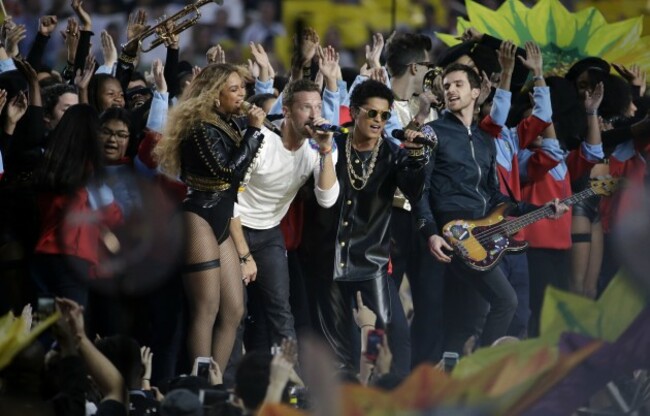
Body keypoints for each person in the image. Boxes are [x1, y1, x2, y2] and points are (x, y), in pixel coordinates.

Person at [414, 64, 569, 353]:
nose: (450, 90)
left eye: (458, 84)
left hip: (482, 236)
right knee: (501, 302)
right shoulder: (432, 132)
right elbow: (419, 189)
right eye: (446, 86)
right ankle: (476, 369)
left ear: (476, 92)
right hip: (450, 236)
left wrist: (538, 208)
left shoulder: (486, 140)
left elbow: (494, 195)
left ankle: (467, 376)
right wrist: (430, 233)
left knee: (470, 315)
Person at [302, 79, 429, 377]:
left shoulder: (393, 153)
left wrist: (415, 156)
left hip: (371, 261)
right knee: (336, 348)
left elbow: (413, 189)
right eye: (372, 113)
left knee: (394, 336)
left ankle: (394, 397)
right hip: (327, 259)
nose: (378, 121)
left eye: (385, 116)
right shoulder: (334, 144)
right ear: (355, 112)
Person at [154, 63, 266, 372]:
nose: (242, 94)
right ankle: (199, 380)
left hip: (220, 220)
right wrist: (254, 132)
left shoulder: (225, 122)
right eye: (233, 89)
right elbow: (228, 172)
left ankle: (215, 379)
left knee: (234, 310)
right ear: (213, 95)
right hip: (199, 217)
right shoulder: (200, 126)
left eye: (242, 88)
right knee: (207, 308)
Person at [229, 78, 340, 353]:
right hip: (233, 230)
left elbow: (327, 198)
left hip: (269, 234)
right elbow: (229, 197)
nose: (315, 115)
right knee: (235, 312)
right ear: (287, 111)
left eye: (318, 107)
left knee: (281, 312)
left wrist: (325, 149)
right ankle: (227, 384)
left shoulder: (318, 149)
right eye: (306, 108)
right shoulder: (263, 141)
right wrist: (244, 256)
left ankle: (292, 383)